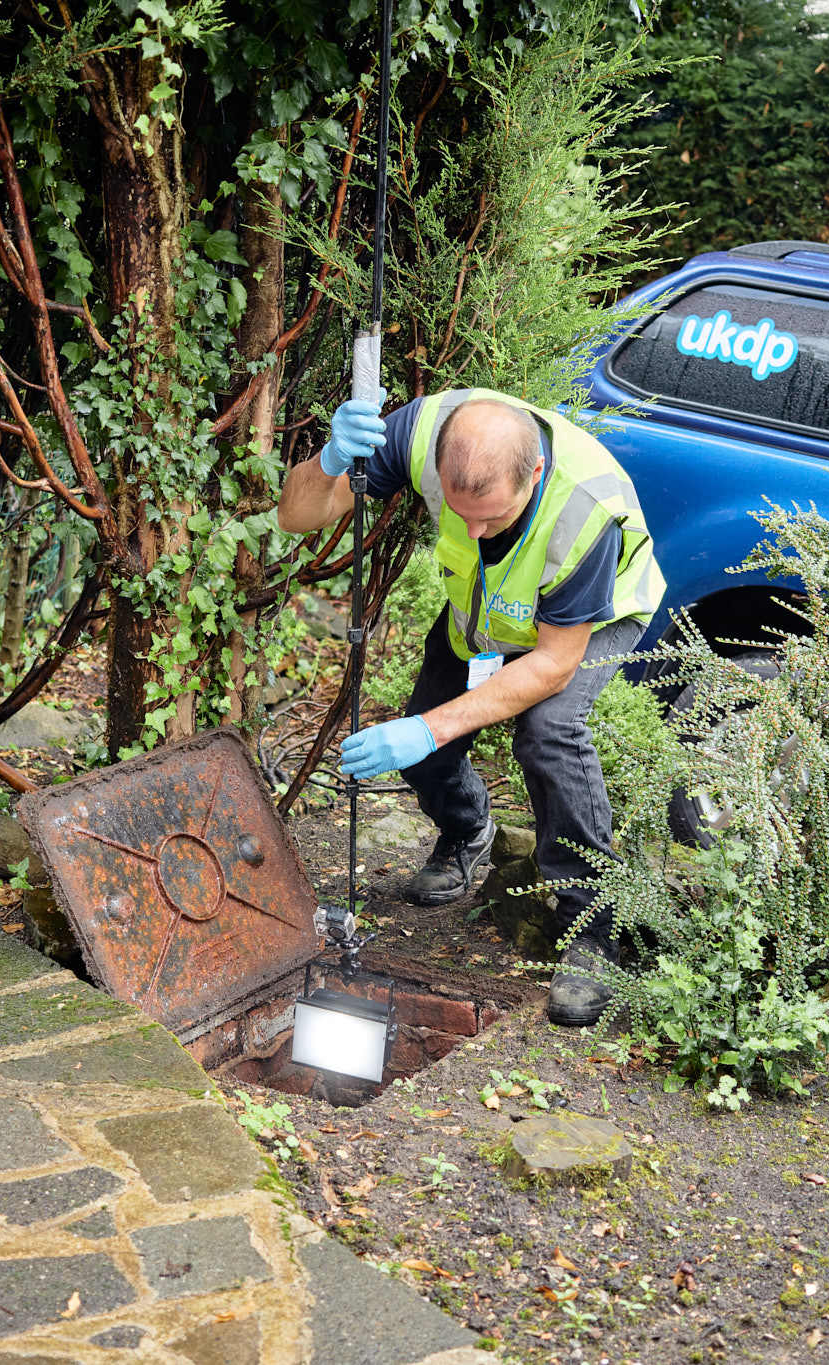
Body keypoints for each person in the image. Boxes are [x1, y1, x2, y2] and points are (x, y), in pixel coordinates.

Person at [277, 388, 665, 1026]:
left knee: (549, 734)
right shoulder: (421, 436)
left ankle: (591, 928)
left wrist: (430, 727)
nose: (473, 531)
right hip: (483, 618)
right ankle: (468, 831)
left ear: (533, 473)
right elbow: (297, 518)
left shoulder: (583, 511)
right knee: (427, 753)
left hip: (586, 621)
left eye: (490, 518)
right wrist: (326, 462)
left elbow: (551, 665)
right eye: (460, 515)